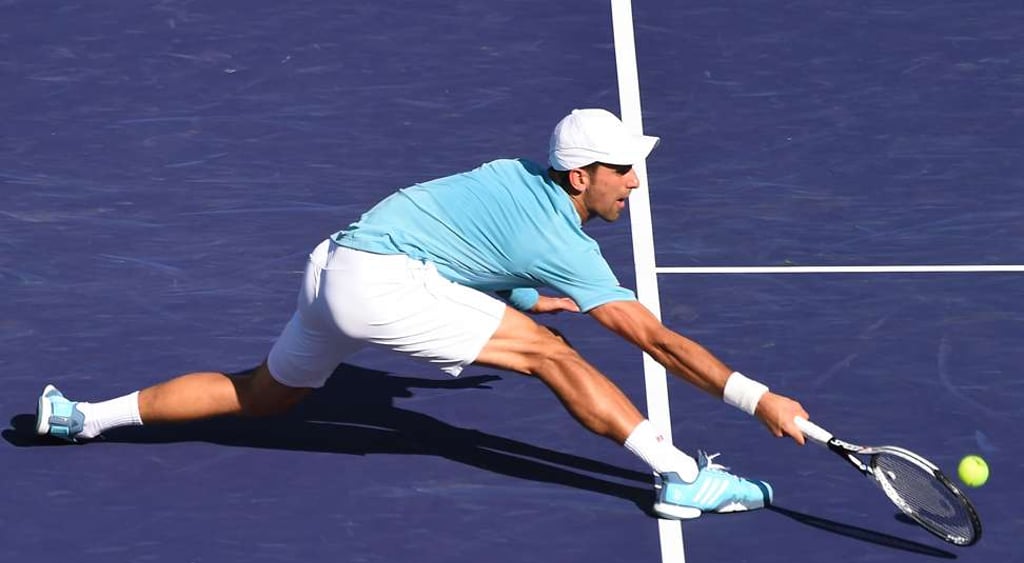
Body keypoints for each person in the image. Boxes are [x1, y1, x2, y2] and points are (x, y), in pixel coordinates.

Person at [35, 108, 809, 520]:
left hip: (335, 262)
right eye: (622, 171)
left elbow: (457, 242)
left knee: (264, 394)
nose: (634, 183)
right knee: (553, 355)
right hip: (382, 285)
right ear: (580, 178)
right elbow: (657, 343)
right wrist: (757, 397)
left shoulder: (512, 177)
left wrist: (523, 296)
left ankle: (82, 417)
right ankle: (680, 479)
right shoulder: (560, 236)